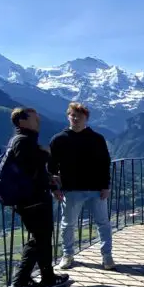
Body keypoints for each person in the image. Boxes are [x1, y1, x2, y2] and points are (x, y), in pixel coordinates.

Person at [6, 108, 70, 287]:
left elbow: (35, 171)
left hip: (32, 197)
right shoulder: (23, 141)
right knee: (40, 237)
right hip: (32, 199)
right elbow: (29, 166)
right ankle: (36, 278)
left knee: (40, 237)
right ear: (21, 121)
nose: (38, 121)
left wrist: (50, 182)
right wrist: (45, 152)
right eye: (34, 118)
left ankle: (34, 278)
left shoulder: (22, 140)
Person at [49, 102, 114, 271]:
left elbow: (104, 164)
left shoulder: (97, 139)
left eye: (79, 116)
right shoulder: (58, 139)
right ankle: (67, 255)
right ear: (68, 116)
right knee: (68, 224)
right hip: (71, 189)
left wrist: (105, 185)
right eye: (73, 115)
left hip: (96, 189)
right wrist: (54, 188)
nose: (76, 118)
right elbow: (51, 167)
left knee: (103, 223)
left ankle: (107, 256)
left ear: (86, 118)